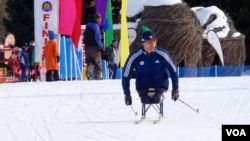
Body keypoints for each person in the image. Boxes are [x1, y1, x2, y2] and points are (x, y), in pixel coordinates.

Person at [122, 26, 179, 106]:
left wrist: (175, 89)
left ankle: (160, 114)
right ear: (143, 43)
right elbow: (125, 74)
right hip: (143, 86)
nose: (152, 45)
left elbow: (174, 70)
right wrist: (127, 94)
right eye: (149, 42)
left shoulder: (162, 54)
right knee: (145, 100)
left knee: (156, 99)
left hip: (160, 85)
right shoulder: (135, 56)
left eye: (154, 42)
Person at [84, 13, 103, 80]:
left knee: (90, 61)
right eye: (99, 18)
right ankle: (98, 77)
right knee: (97, 62)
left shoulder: (88, 24)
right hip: (94, 47)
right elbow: (97, 37)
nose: (100, 20)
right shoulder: (95, 26)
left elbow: (84, 35)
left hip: (87, 47)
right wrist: (100, 47)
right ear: (96, 19)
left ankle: (88, 73)